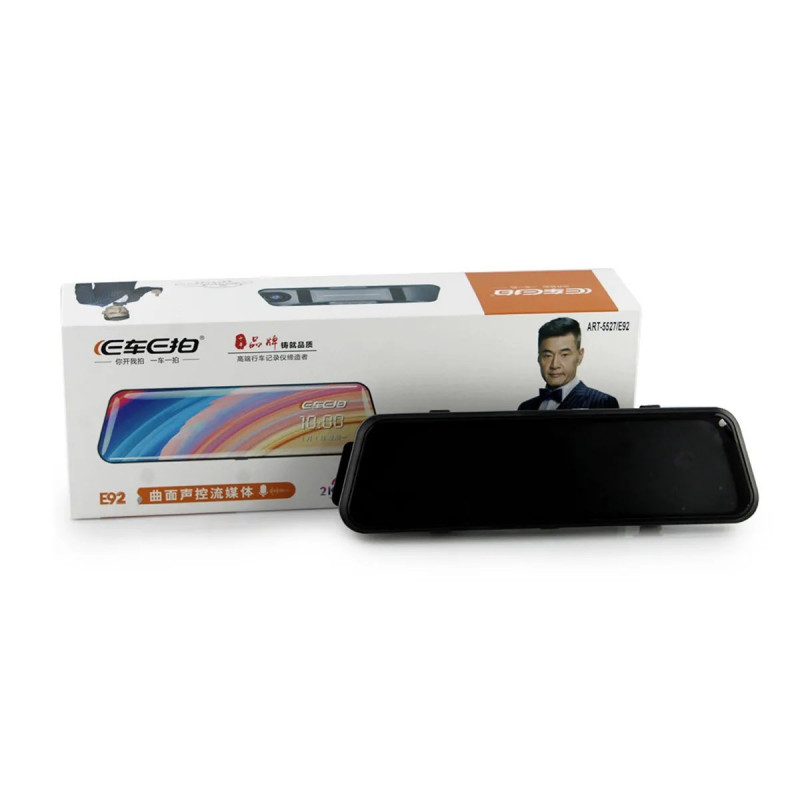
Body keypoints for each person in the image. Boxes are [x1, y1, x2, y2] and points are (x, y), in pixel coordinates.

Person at [518, 317, 619, 410]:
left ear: (580, 356)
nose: (554, 365)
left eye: (564, 355)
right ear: (539, 357)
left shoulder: (602, 402)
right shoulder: (525, 407)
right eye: (548, 355)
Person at [74, 282, 162, 321]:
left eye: (112, 313)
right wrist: (157, 289)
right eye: (123, 312)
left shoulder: (90, 300)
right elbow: (143, 290)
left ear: (104, 312)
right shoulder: (134, 298)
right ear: (127, 311)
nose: (118, 310)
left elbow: (83, 283)